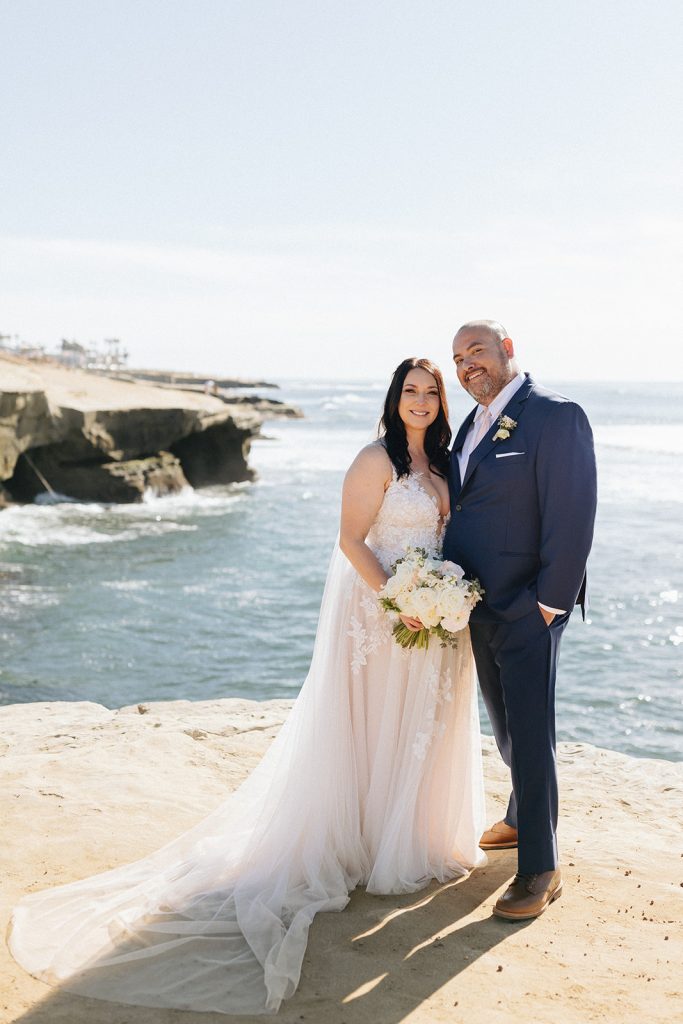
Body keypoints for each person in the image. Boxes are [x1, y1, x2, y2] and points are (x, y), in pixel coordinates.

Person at [9, 358, 486, 1015]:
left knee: (415, 728)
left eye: (431, 392)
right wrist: (396, 600)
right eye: (411, 390)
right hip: (382, 614)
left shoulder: (446, 464)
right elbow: (350, 541)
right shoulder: (373, 459)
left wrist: (439, 598)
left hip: (430, 618)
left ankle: (404, 838)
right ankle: (361, 843)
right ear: (394, 395)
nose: (422, 400)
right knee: (372, 724)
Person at [443, 320, 597, 921]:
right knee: (503, 723)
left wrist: (550, 602)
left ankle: (540, 865)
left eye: (476, 351)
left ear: (508, 351)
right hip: (475, 602)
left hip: (530, 605)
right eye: (457, 359)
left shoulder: (556, 416)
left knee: (529, 733)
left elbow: (574, 509)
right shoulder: (471, 423)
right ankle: (517, 812)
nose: (466, 366)